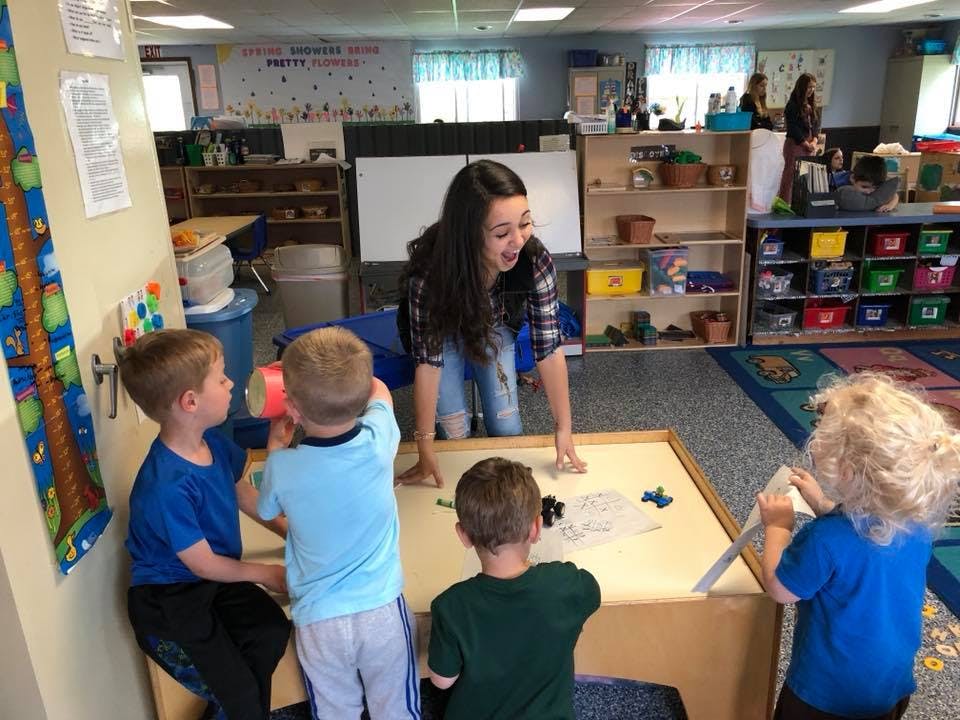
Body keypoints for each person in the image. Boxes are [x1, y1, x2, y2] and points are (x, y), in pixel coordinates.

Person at [757, 373, 960, 720]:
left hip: (824, 696)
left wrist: (777, 527)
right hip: (888, 686)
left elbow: (781, 588)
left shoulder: (825, 538)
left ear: (846, 471)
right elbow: (866, 542)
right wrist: (822, 502)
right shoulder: (916, 521)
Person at [120, 329, 291, 720]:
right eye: (222, 377)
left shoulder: (210, 442)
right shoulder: (165, 485)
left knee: (270, 634)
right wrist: (264, 572)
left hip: (211, 581)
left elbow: (242, 492)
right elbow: (202, 564)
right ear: (190, 401)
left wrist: (287, 531)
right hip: (167, 601)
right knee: (241, 695)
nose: (231, 383)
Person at [256, 327, 420, 719]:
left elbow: (265, 510)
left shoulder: (281, 466)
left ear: (290, 408)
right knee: (395, 705)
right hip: (381, 610)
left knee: (334, 710)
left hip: (319, 619)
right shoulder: (380, 440)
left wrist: (275, 446)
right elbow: (378, 391)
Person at [397, 159, 586, 488]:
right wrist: (424, 446)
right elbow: (428, 363)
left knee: (506, 424)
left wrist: (564, 426)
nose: (518, 240)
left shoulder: (535, 261)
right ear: (470, 233)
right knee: (452, 430)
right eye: (502, 233)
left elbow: (549, 349)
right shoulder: (430, 273)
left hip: (494, 324)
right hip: (442, 329)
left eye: (525, 224)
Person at [427, 457, 601, 720]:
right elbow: (592, 592)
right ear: (535, 527)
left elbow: (442, 681)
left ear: (463, 535)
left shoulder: (450, 605)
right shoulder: (567, 584)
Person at [778, 73, 821, 203]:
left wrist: (814, 140)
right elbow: (793, 128)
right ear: (802, 87)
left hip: (809, 145)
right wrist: (805, 144)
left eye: (813, 87)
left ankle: (800, 203)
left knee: (805, 176)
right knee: (791, 175)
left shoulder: (812, 106)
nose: (811, 90)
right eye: (809, 87)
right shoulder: (792, 105)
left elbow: (816, 126)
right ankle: (786, 203)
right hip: (796, 145)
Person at [835, 155, 900, 212]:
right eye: (864, 187)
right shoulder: (840, 183)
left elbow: (893, 194)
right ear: (852, 179)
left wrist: (890, 205)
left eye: (875, 188)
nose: (869, 192)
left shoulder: (878, 179)